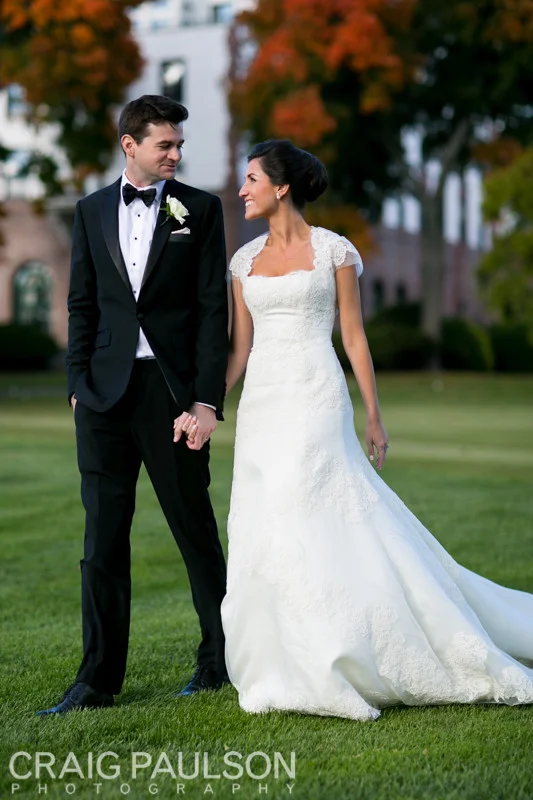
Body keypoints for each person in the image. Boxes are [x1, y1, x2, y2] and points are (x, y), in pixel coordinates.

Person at [176, 138, 533, 721]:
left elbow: (354, 336)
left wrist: (373, 413)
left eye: (251, 180)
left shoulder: (334, 251)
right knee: (271, 520)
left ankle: (339, 655)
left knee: (308, 502)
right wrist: (206, 405)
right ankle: (288, 657)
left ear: (281, 186)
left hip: (316, 397)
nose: (241, 190)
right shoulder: (242, 262)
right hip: (263, 405)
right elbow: (239, 349)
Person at [38, 95, 229, 715]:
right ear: (130, 146)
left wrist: (205, 401)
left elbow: (210, 314)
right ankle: (96, 681)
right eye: (164, 145)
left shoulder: (200, 209)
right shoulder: (91, 210)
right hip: (101, 396)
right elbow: (81, 305)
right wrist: (76, 384)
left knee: (193, 529)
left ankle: (219, 661)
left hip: (171, 396)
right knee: (101, 542)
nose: (176, 154)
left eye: (179, 145)